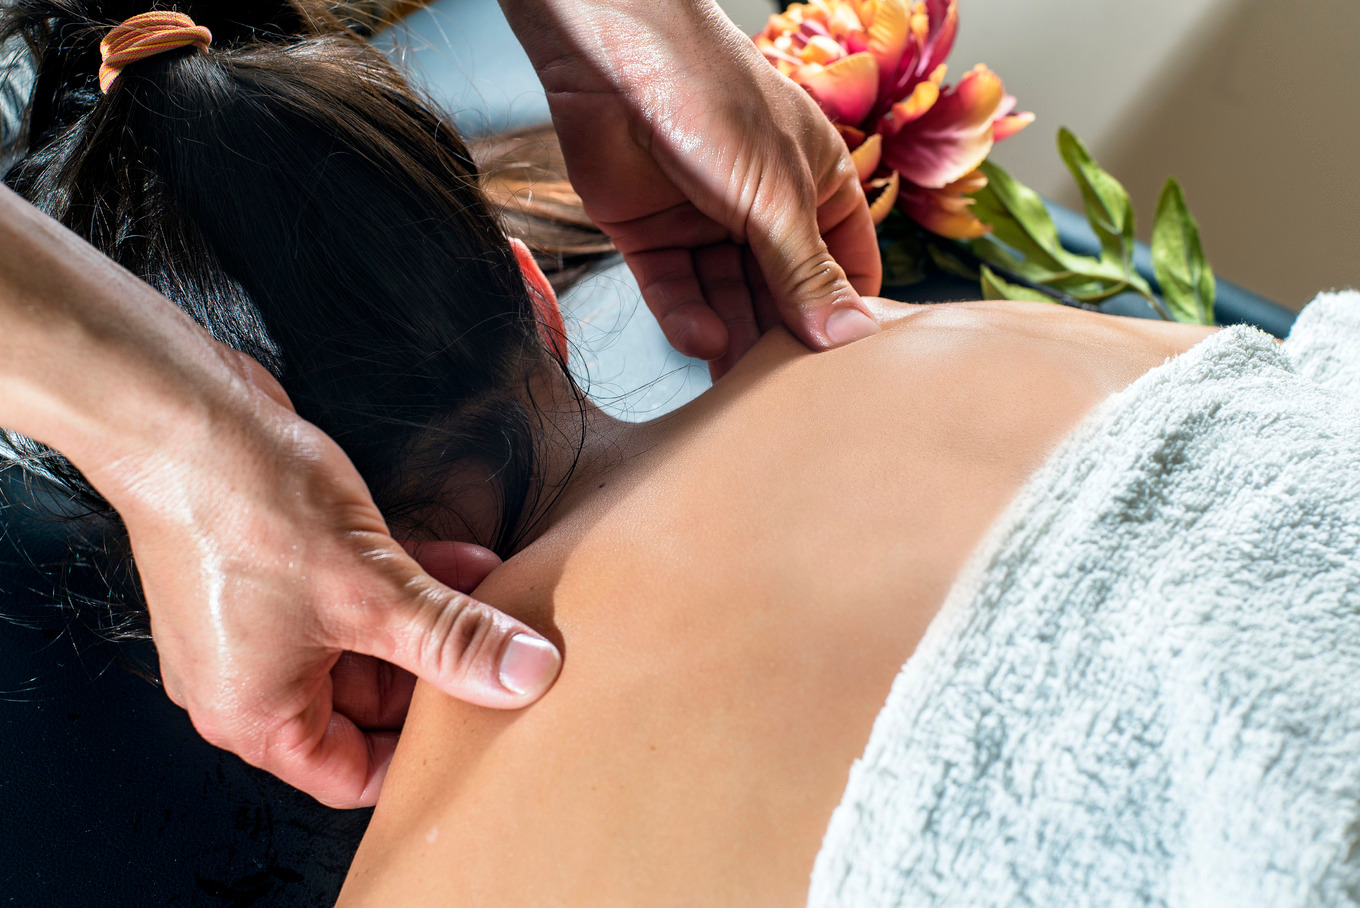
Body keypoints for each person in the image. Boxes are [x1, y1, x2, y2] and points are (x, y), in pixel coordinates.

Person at [0, 0, 881, 807]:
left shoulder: (439, 850)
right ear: (534, 291)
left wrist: (171, 442)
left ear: (178, 581)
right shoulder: (903, 356)